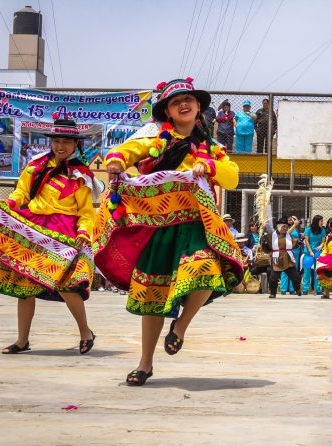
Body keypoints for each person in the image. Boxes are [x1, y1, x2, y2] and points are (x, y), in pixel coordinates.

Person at [96, 78, 244, 386]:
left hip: (196, 225)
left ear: (199, 106)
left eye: (189, 99)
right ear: (168, 111)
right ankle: (145, 363)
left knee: (207, 271)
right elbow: (124, 152)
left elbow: (231, 178)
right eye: (176, 102)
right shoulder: (154, 140)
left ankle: (180, 326)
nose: (184, 105)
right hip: (158, 227)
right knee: (154, 294)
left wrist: (210, 168)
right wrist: (114, 162)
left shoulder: (213, 148)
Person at [0, 117, 103, 354]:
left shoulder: (81, 175)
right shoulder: (36, 165)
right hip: (32, 227)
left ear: (76, 144)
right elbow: (22, 193)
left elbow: (86, 212)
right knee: (24, 285)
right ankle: (22, 340)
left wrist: (84, 232)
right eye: (56, 141)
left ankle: (86, 332)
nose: (60, 146)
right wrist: (11, 202)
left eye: (66, 141)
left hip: (63, 230)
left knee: (68, 286)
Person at [261, 216, 301, 299]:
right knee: (273, 278)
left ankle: (297, 289)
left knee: (296, 277)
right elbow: (266, 246)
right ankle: (273, 293)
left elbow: (295, 242)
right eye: (283, 226)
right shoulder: (272, 235)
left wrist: (299, 241)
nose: (285, 228)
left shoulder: (288, 235)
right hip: (277, 258)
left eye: (286, 227)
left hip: (288, 258)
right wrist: (263, 241)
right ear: (279, 227)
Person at [302, 215, 326, 296]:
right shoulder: (308, 229)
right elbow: (307, 241)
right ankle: (305, 289)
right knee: (307, 270)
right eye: (321, 221)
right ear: (316, 221)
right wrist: (310, 251)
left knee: (318, 271)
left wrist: (321, 246)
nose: (322, 223)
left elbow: (323, 241)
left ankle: (318, 289)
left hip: (318, 252)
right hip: (308, 252)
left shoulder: (322, 230)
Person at [280, 216, 301, 295]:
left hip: (295, 250)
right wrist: (294, 225)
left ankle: (293, 289)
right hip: (286, 251)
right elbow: (287, 234)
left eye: (294, 219)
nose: (291, 220)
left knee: (293, 270)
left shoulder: (296, 229)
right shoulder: (284, 227)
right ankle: (283, 289)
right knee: (285, 269)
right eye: (289, 218)